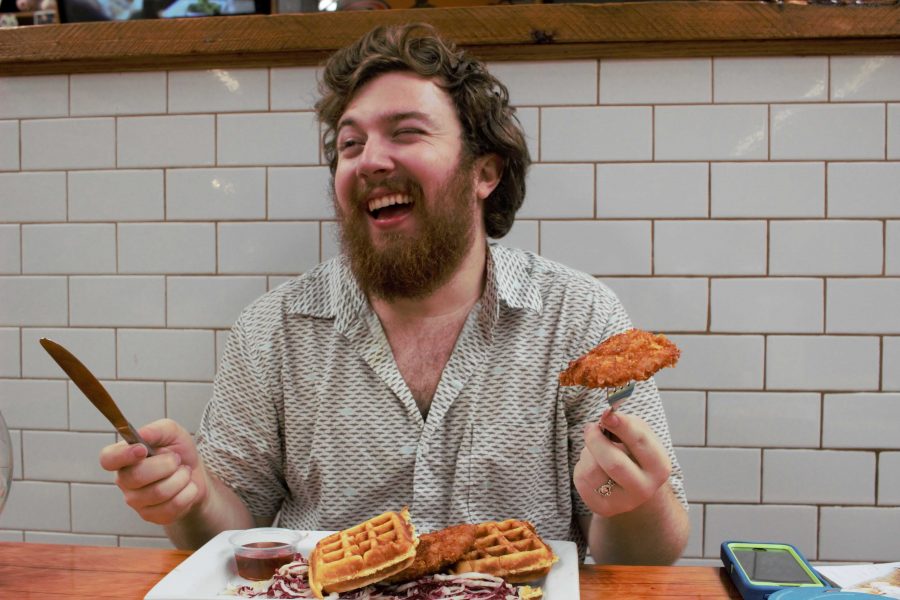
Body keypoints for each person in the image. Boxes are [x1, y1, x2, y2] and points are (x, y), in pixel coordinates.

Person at [100, 23, 689, 565]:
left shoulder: (579, 318)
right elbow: (233, 537)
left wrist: (632, 501)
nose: (370, 160)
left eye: (406, 133)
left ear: (485, 173)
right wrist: (192, 497)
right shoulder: (271, 331)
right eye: (350, 145)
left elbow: (645, 563)